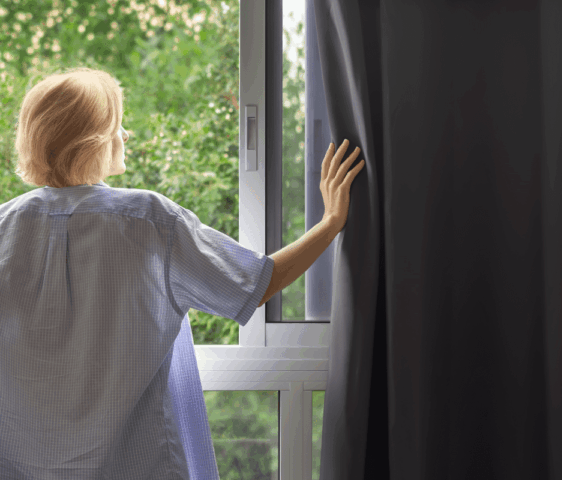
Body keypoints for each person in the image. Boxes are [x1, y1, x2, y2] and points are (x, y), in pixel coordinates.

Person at [0, 66, 365, 479]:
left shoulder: (4, 228)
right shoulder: (149, 221)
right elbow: (259, 282)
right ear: (93, 140)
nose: (125, 136)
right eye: (118, 125)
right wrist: (331, 221)